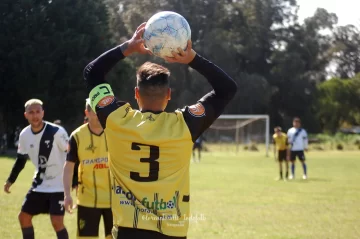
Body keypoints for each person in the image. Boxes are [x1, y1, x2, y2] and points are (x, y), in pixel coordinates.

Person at [83, 22, 237, 239]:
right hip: (172, 230)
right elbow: (227, 88)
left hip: (128, 229)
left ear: (136, 93)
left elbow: (92, 72)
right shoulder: (185, 125)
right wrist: (192, 58)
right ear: (169, 94)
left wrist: (128, 47)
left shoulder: (116, 120)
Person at [3, 99, 69, 239]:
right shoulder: (24, 135)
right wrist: (10, 180)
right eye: (31, 112)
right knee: (24, 218)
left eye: (38, 111)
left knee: (57, 222)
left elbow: (71, 155)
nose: (35, 115)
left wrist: (74, 180)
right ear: (25, 115)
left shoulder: (56, 132)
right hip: (39, 185)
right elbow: (21, 160)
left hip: (59, 185)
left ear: (43, 113)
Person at [63, 99, 112, 239]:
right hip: (87, 200)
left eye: (102, 112)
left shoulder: (115, 133)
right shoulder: (77, 136)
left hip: (115, 200)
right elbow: (68, 167)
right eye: (96, 112)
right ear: (87, 113)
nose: (99, 116)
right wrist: (67, 195)